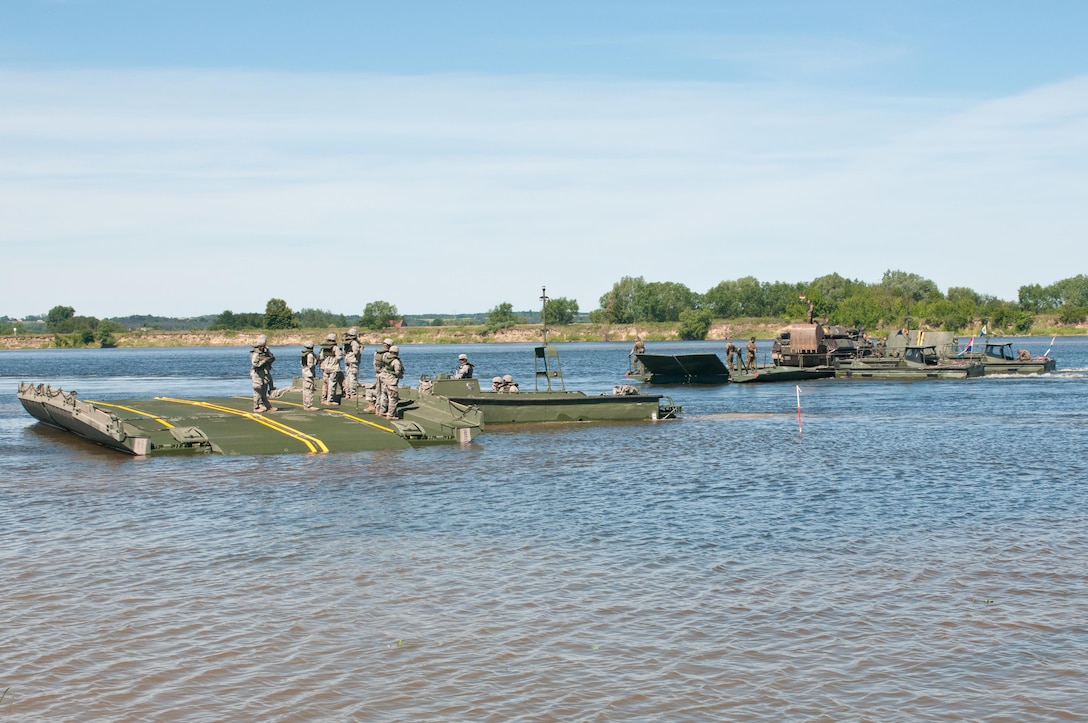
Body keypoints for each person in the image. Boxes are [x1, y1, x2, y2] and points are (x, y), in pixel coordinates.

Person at [366, 337, 393, 413]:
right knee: (384, 392)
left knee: (378, 392)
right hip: (385, 375)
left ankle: (377, 408)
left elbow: (374, 363)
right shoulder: (387, 354)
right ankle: (382, 410)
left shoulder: (377, 352)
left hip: (378, 374)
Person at [250, 335, 276, 413]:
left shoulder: (266, 351)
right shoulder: (256, 354)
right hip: (257, 373)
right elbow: (255, 365)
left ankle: (267, 406)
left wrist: (269, 359)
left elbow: (272, 357)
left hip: (264, 372)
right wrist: (264, 361)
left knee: (264, 389)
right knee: (258, 389)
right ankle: (256, 406)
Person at [377, 344, 404, 418]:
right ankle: (391, 415)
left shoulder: (386, 357)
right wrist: (400, 376)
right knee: (393, 398)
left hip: (384, 379)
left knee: (384, 396)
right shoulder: (396, 361)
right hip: (391, 381)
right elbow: (397, 372)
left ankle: (382, 411)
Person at [320, 332, 344, 406]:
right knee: (332, 384)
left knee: (325, 384)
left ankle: (323, 399)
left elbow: (321, 357)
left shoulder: (323, 348)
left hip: (325, 368)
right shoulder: (335, 348)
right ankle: (330, 400)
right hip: (333, 368)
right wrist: (341, 353)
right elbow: (339, 357)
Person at [343, 327, 363, 399]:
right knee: (353, 377)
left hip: (347, 360)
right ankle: (353, 393)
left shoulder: (346, 342)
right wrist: (361, 349)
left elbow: (344, 352)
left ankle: (347, 393)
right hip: (353, 360)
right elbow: (356, 352)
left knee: (347, 376)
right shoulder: (354, 342)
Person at [300, 340, 318, 410]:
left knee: (305, 389)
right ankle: (309, 405)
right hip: (309, 374)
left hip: (304, 373)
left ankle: (305, 404)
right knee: (309, 389)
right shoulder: (310, 355)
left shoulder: (304, 354)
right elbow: (310, 365)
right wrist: (316, 361)